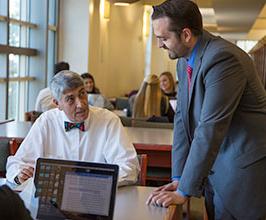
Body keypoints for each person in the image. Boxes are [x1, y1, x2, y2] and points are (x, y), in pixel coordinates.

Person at [146, 1, 266, 220]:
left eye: (163, 38)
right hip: (214, 166)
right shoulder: (184, 61)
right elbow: (182, 119)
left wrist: (184, 191)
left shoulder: (223, 58)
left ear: (186, 35)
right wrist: (179, 177)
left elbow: (210, 127)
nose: (159, 45)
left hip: (241, 171)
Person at [7, 71, 139, 187]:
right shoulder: (46, 122)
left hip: (96, 198)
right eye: (70, 99)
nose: (81, 104)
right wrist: (20, 175)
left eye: (82, 94)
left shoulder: (108, 120)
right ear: (57, 103)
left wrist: (94, 182)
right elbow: (17, 163)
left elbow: (129, 167)